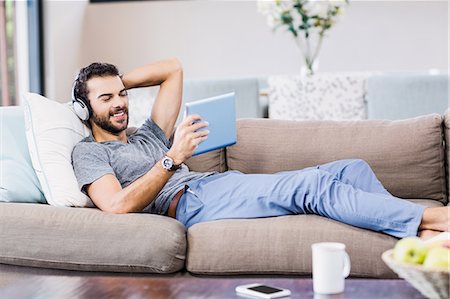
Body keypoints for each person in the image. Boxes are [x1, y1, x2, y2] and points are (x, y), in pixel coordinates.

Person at [71, 59, 449, 239]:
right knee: (312, 186)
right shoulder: (89, 152)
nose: (120, 103)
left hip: (214, 186)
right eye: (106, 98)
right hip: (188, 204)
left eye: (122, 94)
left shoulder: (146, 135)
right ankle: (433, 220)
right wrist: (172, 159)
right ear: (86, 109)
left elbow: (173, 70)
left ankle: (417, 237)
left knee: (351, 169)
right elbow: (118, 207)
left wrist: (118, 83)